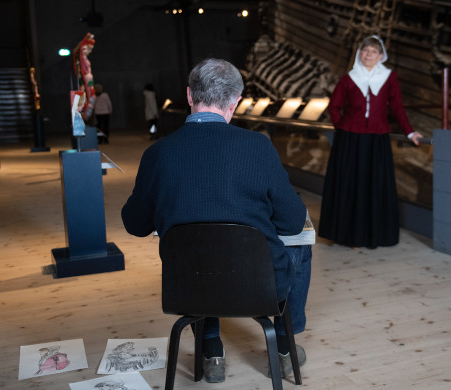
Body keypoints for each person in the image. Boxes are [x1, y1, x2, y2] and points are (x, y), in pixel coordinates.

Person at [122, 58, 312, 383]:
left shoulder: (157, 154)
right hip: (258, 286)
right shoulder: (259, 148)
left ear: (188, 95)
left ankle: (211, 353)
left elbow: (135, 224)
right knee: (300, 246)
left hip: (187, 287)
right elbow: (292, 222)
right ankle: (283, 346)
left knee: (201, 255)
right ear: (236, 101)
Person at [319, 35, 423, 249]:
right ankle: (348, 235)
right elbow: (334, 107)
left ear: (380, 56)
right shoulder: (348, 78)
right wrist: (343, 127)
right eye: (365, 50)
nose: (369, 55)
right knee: (350, 185)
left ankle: (372, 235)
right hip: (350, 140)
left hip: (377, 139)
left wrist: (410, 132)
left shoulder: (389, 78)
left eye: (373, 51)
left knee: (373, 185)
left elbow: (397, 108)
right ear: (360, 53)